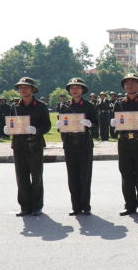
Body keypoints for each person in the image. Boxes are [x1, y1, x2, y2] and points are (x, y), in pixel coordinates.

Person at [110, 74, 138, 216]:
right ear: (123, 86)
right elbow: (113, 128)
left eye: (133, 82)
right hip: (124, 143)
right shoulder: (118, 104)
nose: (129, 85)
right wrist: (112, 124)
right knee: (126, 175)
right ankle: (129, 205)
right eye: (127, 83)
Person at [8, 77, 51, 216]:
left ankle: (37, 205)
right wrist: (8, 129)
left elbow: (47, 126)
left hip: (34, 145)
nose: (22, 89)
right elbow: (12, 123)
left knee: (36, 176)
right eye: (20, 87)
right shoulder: (15, 106)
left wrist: (36, 130)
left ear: (33, 89)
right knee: (21, 177)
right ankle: (25, 206)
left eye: (26, 87)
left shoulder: (41, 106)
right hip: (19, 145)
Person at [57, 78, 98, 216]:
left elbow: (96, 126)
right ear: (69, 90)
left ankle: (86, 205)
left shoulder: (88, 106)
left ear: (83, 90)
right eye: (72, 88)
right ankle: (75, 206)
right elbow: (63, 126)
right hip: (69, 144)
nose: (74, 90)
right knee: (72, 176)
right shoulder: (64, 107)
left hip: (84, 144)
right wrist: (59, 127)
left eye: (77, 87)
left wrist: (90, 124)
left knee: (85, 176)